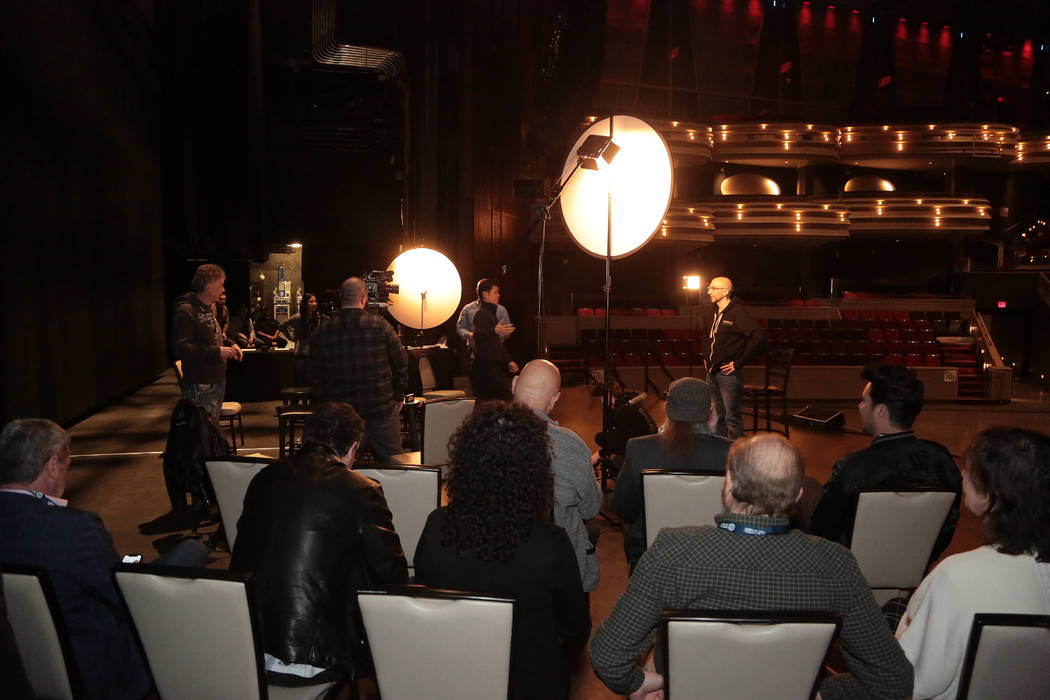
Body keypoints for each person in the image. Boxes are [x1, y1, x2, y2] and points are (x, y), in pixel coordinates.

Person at [590, 433, 913, 700]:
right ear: (797, 495)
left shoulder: (673, 551)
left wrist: (637, 685)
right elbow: (892, 681)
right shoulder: (836, 565)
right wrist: (815, 692)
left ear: (728, 483)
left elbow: (609, 657)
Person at [0, 419, 207, 700]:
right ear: (51, 466)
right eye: (65, 466)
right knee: (191, 551)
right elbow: (126, 600)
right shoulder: (73, 528)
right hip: (95, 671)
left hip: (18, 666)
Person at [414, 402, 591, 700]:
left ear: (465, 463)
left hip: (455, 677)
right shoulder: (550, 543)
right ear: (535, 469)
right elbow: (576, 630)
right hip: (530, 683)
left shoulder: (436, 526)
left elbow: (426, 595)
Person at [230, 403, 409, 685]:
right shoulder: (361, 489)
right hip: (314, 657)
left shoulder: (263, 478)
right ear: (353, 447)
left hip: (245, 645)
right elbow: (391, 574)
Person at [895, 427, 1050, 700]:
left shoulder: (958, 575)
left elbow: (918, 681)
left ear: (992, 496)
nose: (962, 473)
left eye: (970, 470)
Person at [810, 363, 962, 563]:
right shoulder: (942, 460)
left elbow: (823, 531)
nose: (859, 406)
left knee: (807, 490)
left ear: (880, 411)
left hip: (853, 569)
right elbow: (947, 525)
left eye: (864, 401)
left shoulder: (852, 467)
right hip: (915, 566)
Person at [612, 376, 731, 569]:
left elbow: (623, 508)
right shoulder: (731, 453)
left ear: (668, 409)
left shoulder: (640, 448)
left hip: (651, 556)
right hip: (713, 558)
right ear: (710, 412)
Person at [512, 359, 603, 592]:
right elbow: (591, 509)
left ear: (514, 385)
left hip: (498, 564)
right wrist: (584, 469)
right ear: (554, 399)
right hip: (558, 570)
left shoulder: (480, 435)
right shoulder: (571, 445)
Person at [309, 277, 409, 463]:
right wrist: (397, 396)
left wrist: (326, 403)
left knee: (338, 467)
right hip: (380, 409)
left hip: (340, 414)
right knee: (394, 462)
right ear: (364, 298)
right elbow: (401, 363)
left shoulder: (323, 330)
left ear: (341, 297)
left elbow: (315, 374)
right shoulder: (382, 326)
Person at [171, 263, 243, 417]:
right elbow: (182, 348)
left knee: (210, 434)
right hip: (201, 384)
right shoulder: (186, 310)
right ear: (209, 285)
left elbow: (214, 337)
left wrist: (231, 344)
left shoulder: (209, 308)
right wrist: (218, 352)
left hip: (215, 380)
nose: (223, 290)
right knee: (202, 435)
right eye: (221, 285)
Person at [700, 276, 764, 439]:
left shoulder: (737, 312)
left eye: (713, 288)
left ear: (726, 291)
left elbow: (758, 337)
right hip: (712, 373)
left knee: (731, 418)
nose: (709, 292)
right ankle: (720, 453)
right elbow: (706, 338)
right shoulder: (712, 312)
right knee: (717, 416)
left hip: (728, 374)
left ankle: (738, 455)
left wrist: (739, 363)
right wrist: (706, 359)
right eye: (709, 288)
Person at [468, 278, 518, 400]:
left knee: (494, 404)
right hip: (485, 371)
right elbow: (478, 335)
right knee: (505, 400)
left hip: (489, 369)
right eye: (495, 292)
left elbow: (495, 342)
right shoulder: (482, 313)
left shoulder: (489, 313)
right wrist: (494, 331)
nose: (498, 295)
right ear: (485, 294)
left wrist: (508, 361)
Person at [455, 277, 514, 353]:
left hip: (495, 349)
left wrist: (500, 335)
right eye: (495, 292)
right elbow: (460, 327)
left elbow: (506, 331)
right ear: (478, 291)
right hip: (474, 349)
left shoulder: (500, 309)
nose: (498, 295)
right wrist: (470, 335)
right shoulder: (469, 309)